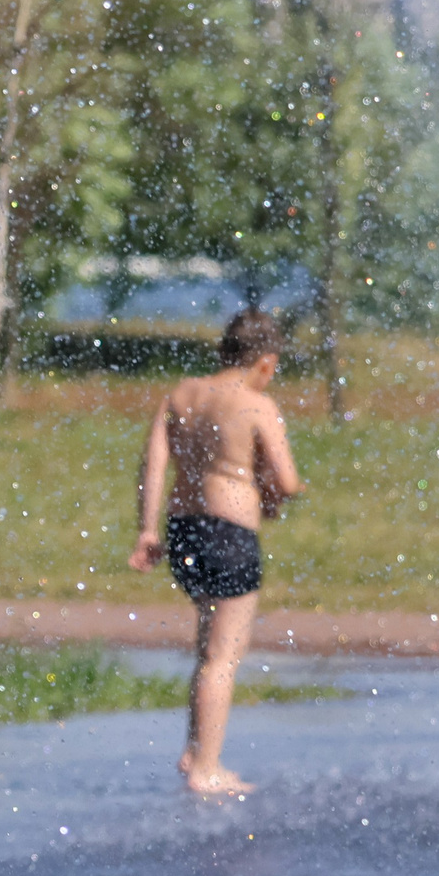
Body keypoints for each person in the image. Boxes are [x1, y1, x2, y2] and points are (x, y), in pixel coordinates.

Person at [128, 308, 306, 798]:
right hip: (230, 537)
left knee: (207, 647)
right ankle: (206, 767)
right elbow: (285, 479)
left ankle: (193, 748)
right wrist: (276, 494)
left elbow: (154, 465)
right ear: (265, 363)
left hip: (183, 532)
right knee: (222, 658)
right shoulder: (256, 405)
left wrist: (147, 530)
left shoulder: (181, 394)